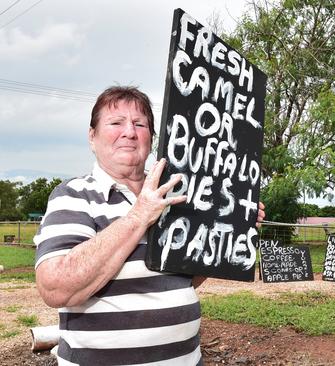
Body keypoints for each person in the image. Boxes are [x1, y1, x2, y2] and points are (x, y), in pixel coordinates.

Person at [34, 86, 265, 365]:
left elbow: (185, 282)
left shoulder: (173, 195)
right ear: (92, 136)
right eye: (116, 123)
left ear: (152, 139)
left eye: (139, 124)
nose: (129, 132)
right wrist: (138, 216)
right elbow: (56, 288)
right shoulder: (73, 195)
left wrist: (231, 228)